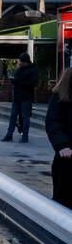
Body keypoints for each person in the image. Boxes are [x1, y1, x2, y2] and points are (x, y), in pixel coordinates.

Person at [45, 67, 72, 209]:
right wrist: (62, 145)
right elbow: (53, 121)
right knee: (63, 200)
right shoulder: (60, 97)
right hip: (67, 157)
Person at [1, 51, 39, 143]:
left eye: (21, 61)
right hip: (17, 96)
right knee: (13, 115)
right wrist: (14, 81)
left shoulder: (33, 70)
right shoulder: (20, 69)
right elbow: (17, 79)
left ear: (25, 61)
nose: (19, 62)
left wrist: (19, 81)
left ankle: (25, 136)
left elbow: (33, 83)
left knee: (25, 117)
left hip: (26, 97)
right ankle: (9, 134)